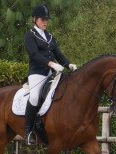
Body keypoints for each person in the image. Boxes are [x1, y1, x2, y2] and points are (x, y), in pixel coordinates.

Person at [24, 5, 77, 145]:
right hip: (37, 74)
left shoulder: (50, 37)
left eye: (47, 19)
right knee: (34, 97)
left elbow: (58, 54)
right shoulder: (30, 35)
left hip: (52, 74)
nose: (45, 22)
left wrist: (68, 64)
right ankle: (29, 132)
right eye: (43, 19)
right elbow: (34, 55)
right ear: (35, 19)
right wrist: (51, 64)